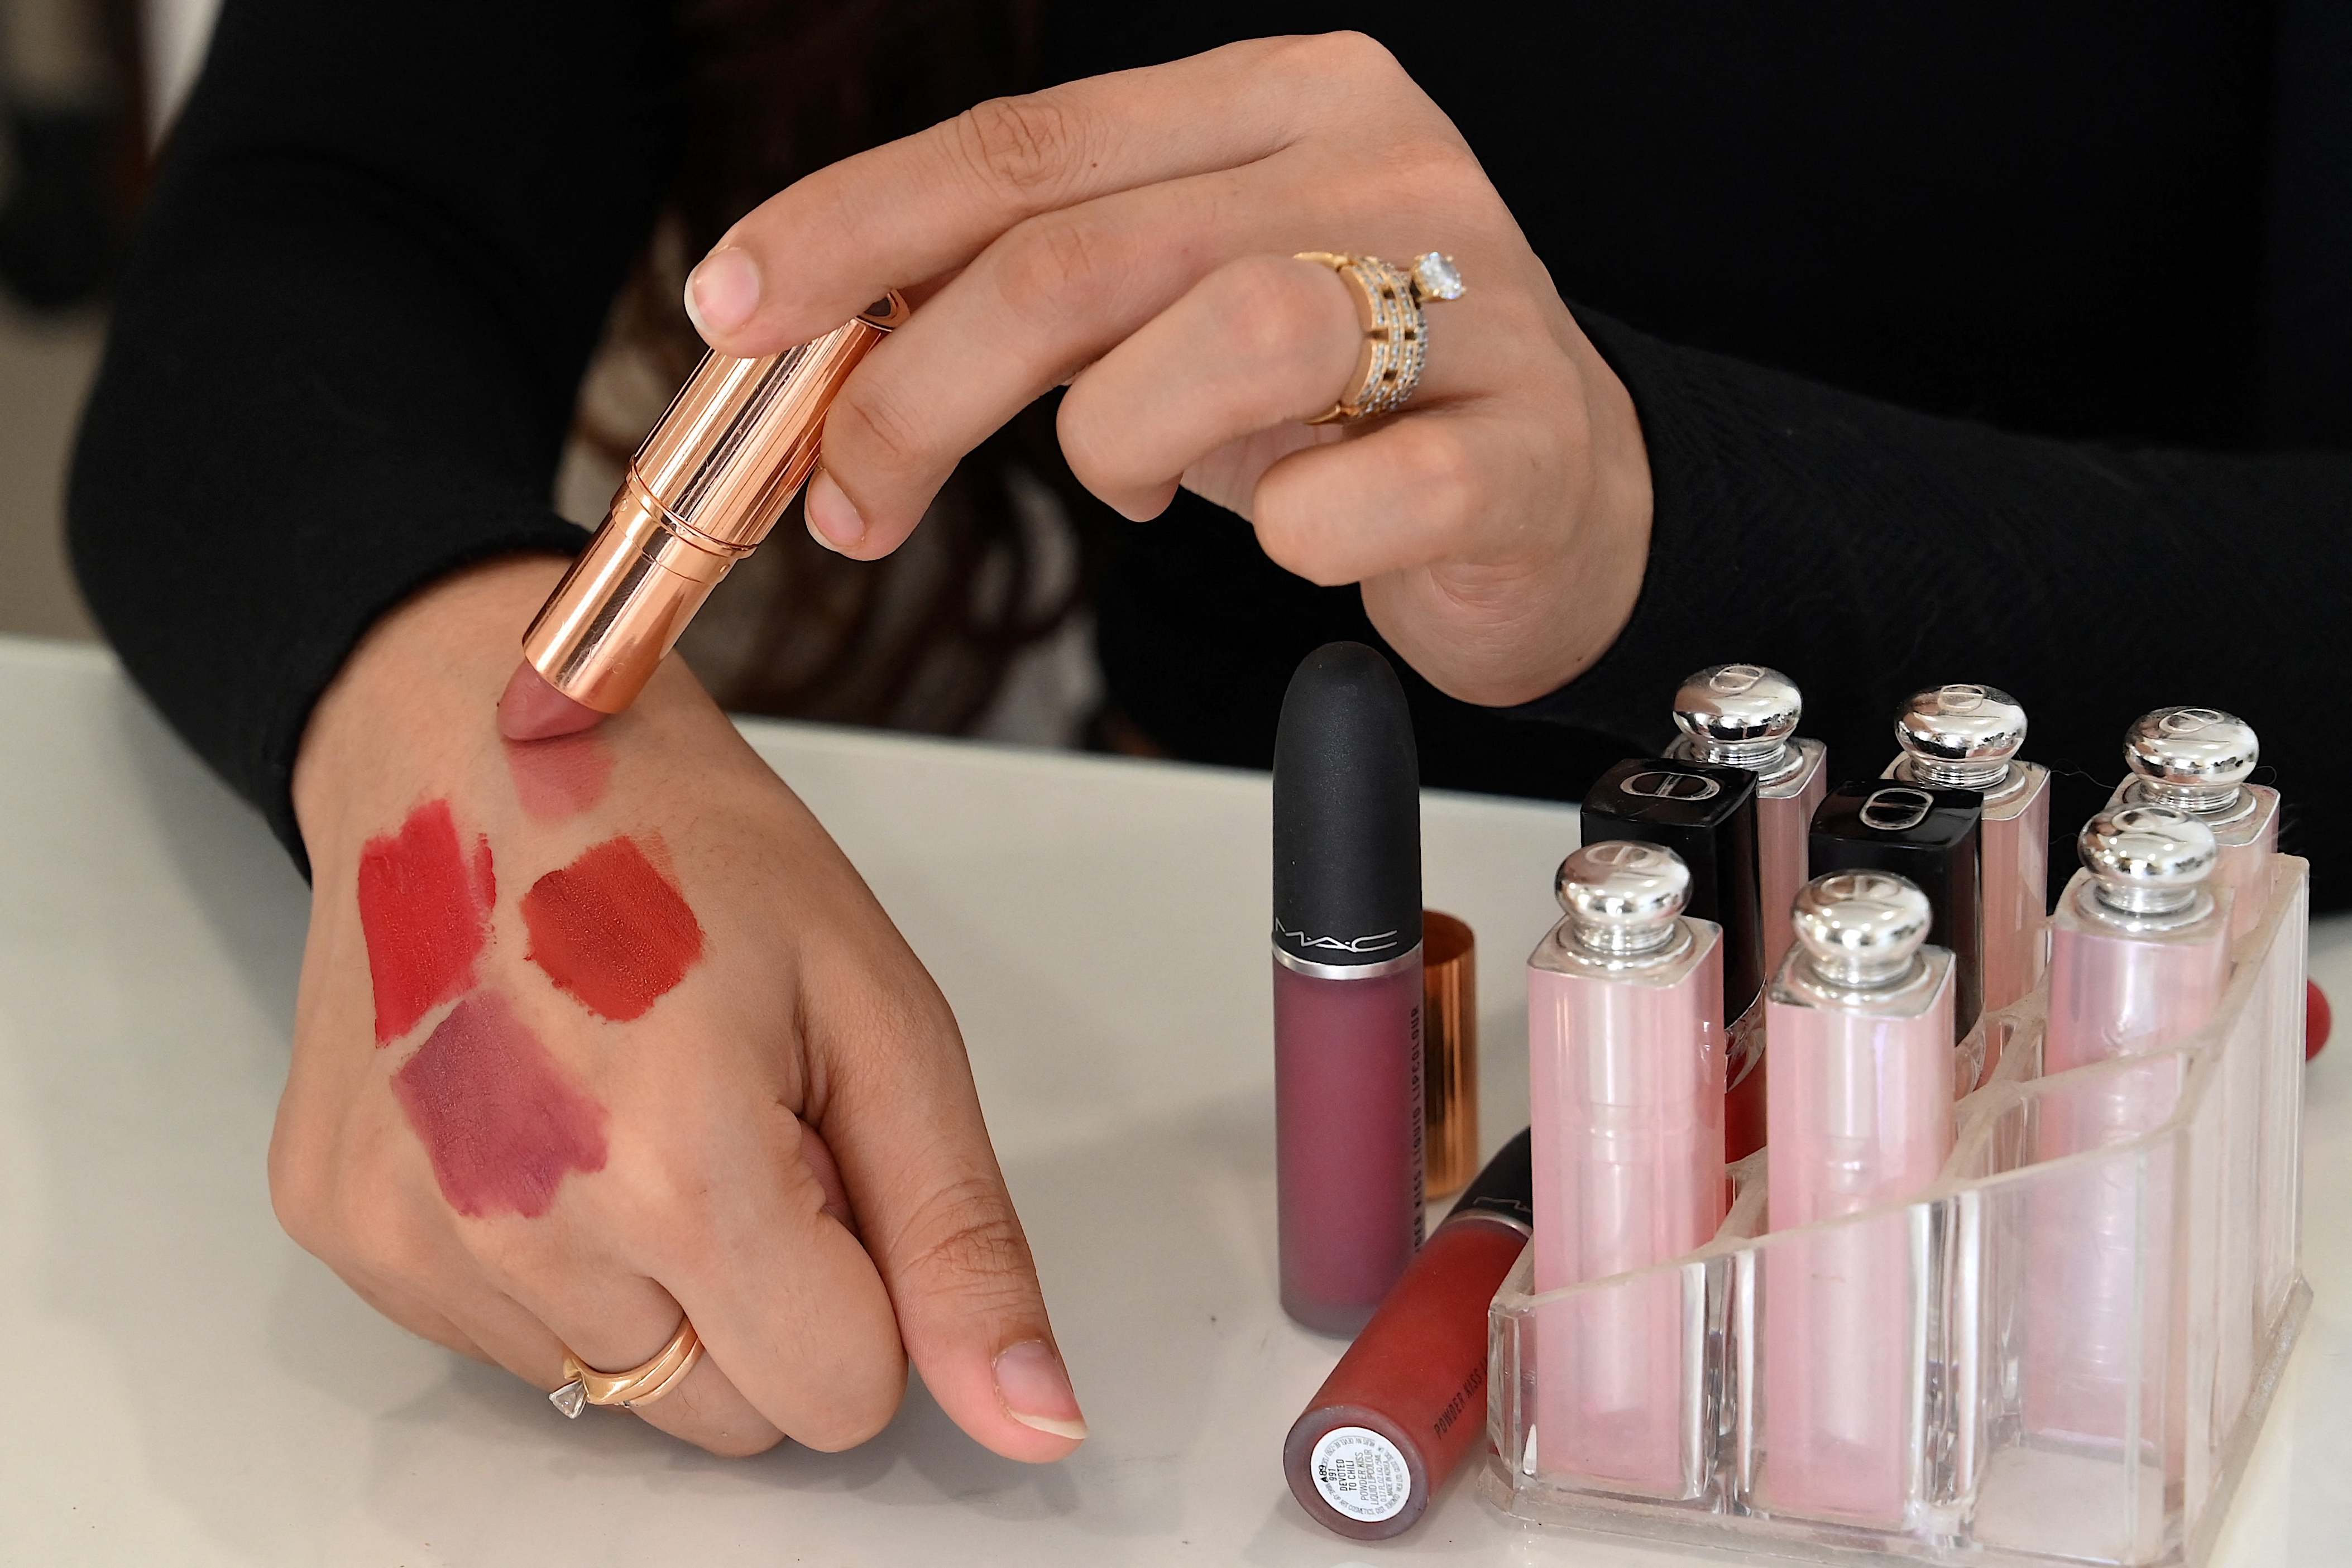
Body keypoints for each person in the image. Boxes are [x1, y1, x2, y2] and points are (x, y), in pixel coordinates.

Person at [68, 0, 2352, 1461]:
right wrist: (458, 712)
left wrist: (1656, 501)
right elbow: (311, 230)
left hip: (2138, 1154)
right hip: (1198, 1080)